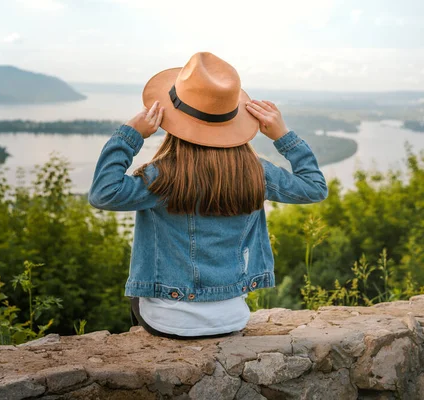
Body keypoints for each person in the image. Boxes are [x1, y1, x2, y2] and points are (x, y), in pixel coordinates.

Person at [88, 52, 328, 339]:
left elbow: (103, 193)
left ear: (173, 121)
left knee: (138, 301)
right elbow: (314, 187)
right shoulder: (256, 173)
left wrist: (129, 135)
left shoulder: (162, 177)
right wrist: (283, 136)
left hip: (167, 321)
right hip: (231, 319)